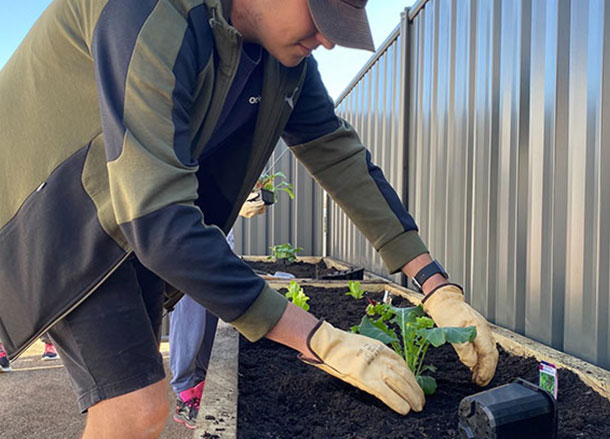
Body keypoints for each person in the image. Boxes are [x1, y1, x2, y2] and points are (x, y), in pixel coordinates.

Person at [0, 0, 499, 437]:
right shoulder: (150, 11)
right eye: (320, 12)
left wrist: (436, 287)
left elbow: (338, 154)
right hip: (61, 218)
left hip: (132, 225)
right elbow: (158, 217)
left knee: (138, 401)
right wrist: (320, 340)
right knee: (136, 408)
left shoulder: (281, 61)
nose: (327, 39)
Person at [170, 194, 266, 429]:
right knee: (189, 320)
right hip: (188, 246)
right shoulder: (186, 158)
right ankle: (184, 391)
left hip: (218, 246)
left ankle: (201, 381)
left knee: (212, 318)